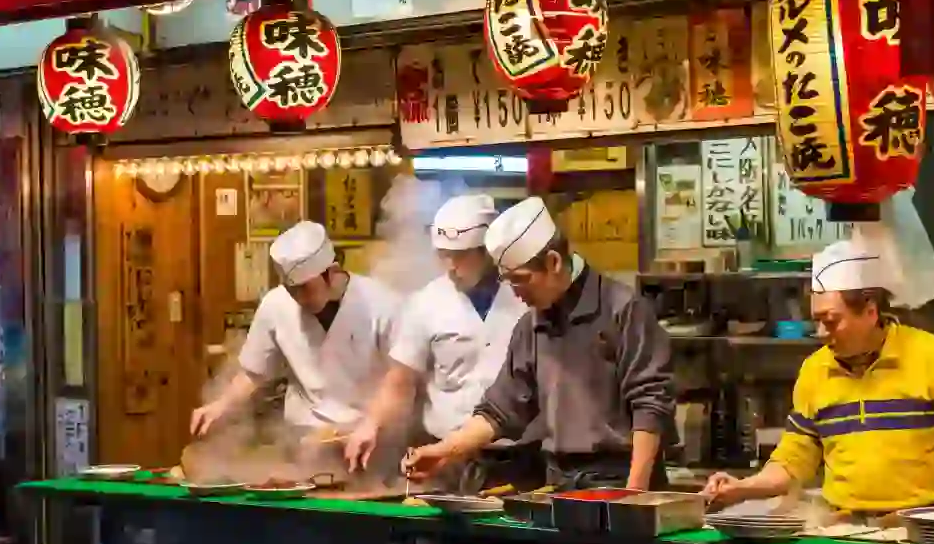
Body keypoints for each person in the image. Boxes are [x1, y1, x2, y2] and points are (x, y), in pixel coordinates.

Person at [401, 196, 675, 491]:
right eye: (508, 280)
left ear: (554, 263)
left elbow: (650, 402)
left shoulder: (623, 310)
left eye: (520, 279)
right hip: (559, 482)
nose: (516, 292)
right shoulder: (530, 326)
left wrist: (634, 493)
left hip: (621, 476)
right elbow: (500, 409)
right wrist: (444, 451)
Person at [702, 240, 934, 515]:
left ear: (871, 313)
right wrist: (741, 488)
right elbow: (793, 458)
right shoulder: (815, 369)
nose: (821, 332)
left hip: (923, 523)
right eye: (817, 320)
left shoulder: (933, 356)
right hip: (845, 528)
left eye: (832, 321)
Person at [345, 194, 540, 491]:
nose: (450, 265)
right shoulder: (425, 304)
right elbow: (400, 380)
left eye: (460, 256)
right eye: (443, 254)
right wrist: (371, 423)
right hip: (446, 457)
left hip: (520, 457)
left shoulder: (527, 296)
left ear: (488, 250)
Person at [190, 221, 402, 466]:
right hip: (302, 438)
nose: (300, 299)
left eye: (305, 288)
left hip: (364, 435)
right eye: (292, 290)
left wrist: (372, 423)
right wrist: (221, 404)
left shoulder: (382, 304)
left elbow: (399, 380)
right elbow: (254, 372)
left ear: (331, 273)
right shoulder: (275, 304)